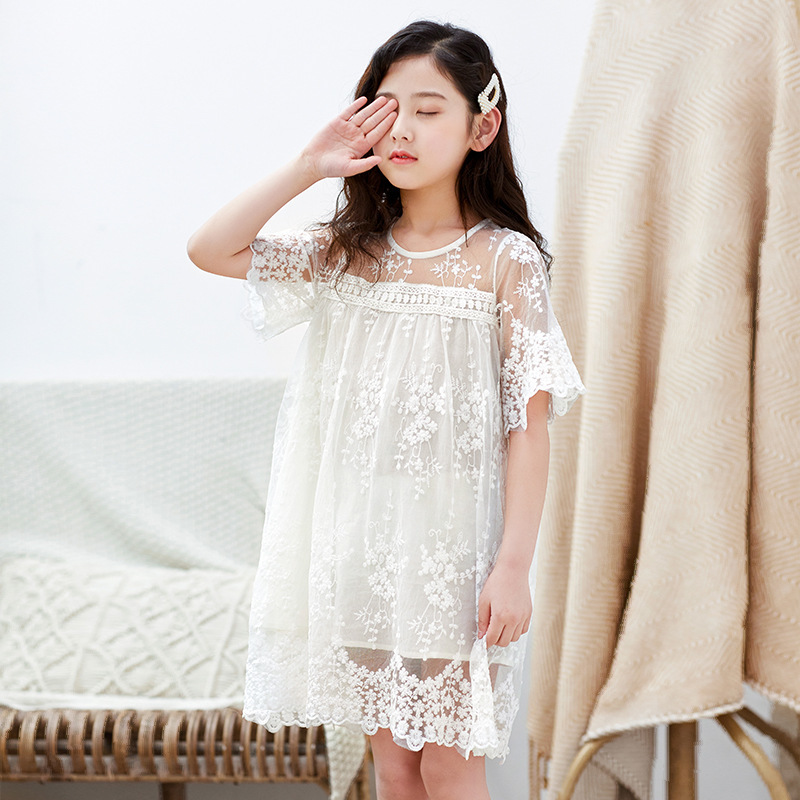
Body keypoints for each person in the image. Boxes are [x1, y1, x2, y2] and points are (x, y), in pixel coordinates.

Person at [187, 20, 585, 800]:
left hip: (455, 558)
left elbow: (528, 427)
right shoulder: (348, 251)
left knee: (448, 761)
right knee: (396, 767)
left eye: (428, 110)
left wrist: (512, 567)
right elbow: (210, 249)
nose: (402, 128)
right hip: (358, 548)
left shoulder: (504, 260)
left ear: (482, 128)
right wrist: (309, 165)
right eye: (386, 107)